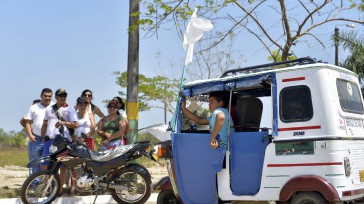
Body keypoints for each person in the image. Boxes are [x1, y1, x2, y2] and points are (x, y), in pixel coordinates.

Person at [40, 88, 78, 196]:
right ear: (56, 97)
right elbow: (44, 124)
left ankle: (59, 190)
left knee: (63, 166)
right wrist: (43, 137)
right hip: (50, 140)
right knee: (44, 164)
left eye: (64, 95)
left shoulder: (70, 109)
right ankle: (47, 187)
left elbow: (75, 125)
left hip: (63, 141)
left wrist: (63, 122)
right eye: (60, 95)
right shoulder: (49, 109)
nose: (62, 97)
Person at [21, 89, 53, 175]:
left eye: (49, 96)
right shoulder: (34, 107)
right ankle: (35, 184)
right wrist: (30, 135)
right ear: (41, 96)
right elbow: (27, 122)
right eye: (45, 96)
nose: (47, 98)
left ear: (52, 96)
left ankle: (51, 185)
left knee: (51, 163)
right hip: (37, 139)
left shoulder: (55, 107)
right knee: (36, 162)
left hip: (51, 140)